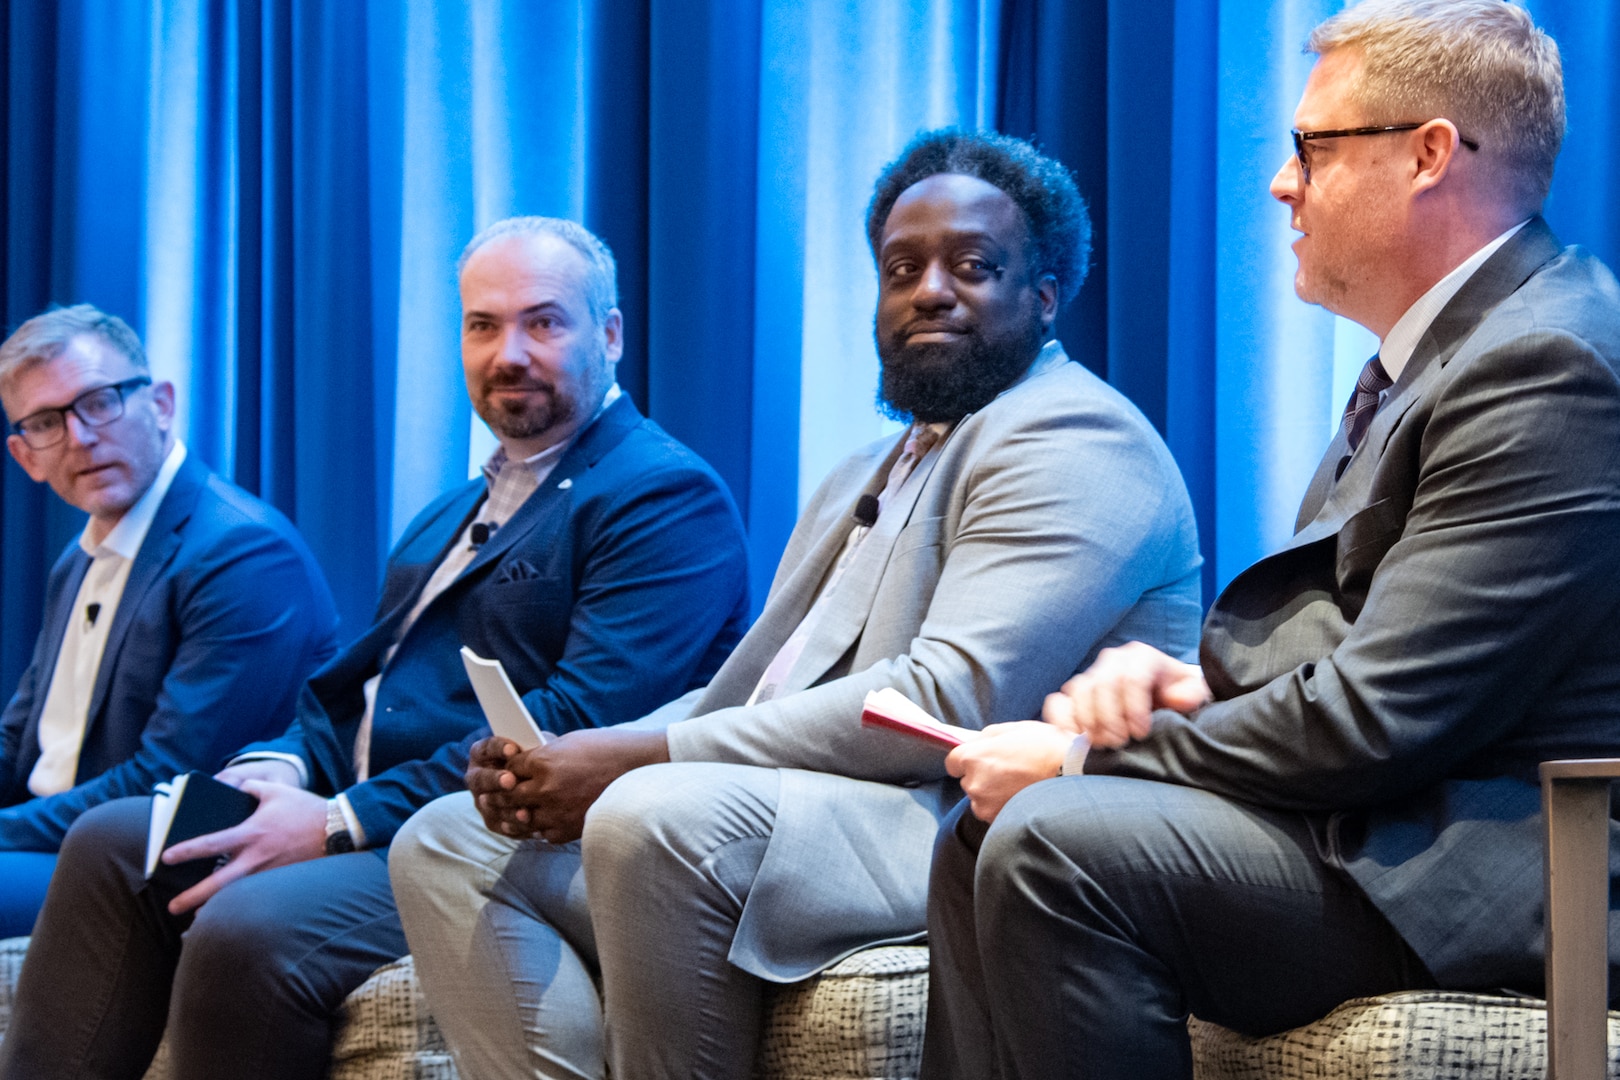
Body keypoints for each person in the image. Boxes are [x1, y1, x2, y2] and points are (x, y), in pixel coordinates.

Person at [390, 129, 1205, 1080]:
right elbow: (752, 690)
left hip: (949, 818)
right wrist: (563, 763)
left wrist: (638, 758)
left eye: (973, 266)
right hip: (802, 804)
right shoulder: (866, 468)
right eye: (903, 268)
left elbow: (942, 700)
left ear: (1045, 293)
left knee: (651, 813)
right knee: (448, 837)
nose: (930, 290)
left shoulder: (1073, 434)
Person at [921, 4, 1620, 1079]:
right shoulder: (1448, 351)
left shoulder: (1546, 366)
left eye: (1311, 148)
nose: (1281, 183)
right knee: (979, 835)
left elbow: (1384, 718)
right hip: (1386, 828)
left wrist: (1078, 752)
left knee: (1054, 841)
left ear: (1430, 154)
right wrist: (1190, 685)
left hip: (1488, 867)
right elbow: (1364, 643)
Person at [0, 217, 751, 1080]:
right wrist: (281, 768)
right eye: (482, 325)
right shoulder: (448, 515)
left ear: (609, 334)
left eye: (543, 322)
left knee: (248, 929)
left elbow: (574, 725)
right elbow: (343, 699)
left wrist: (334, 822)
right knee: (111, 843)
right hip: (362, 812)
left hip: (495, 840)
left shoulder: (662, 495)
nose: (509, 351)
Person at [0, 303, 338, 936]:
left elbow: (168, 780)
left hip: (151, 860)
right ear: (26, 456)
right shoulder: (77, 561)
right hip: (58, 843)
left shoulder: (240, 551)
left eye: (99, 402)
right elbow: (20, 739)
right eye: (47, 422)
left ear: (159, 403)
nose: (80, 437)